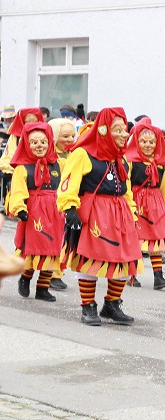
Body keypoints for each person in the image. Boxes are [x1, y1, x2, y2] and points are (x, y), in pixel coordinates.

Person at [57, 107, 142, 326]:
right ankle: (88, 306)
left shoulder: (121, 159)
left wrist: (131, 212)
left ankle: (112, 305)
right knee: (90, 260)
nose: (124, 134)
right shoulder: (82, 154)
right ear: (103, 130)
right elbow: (68, 183)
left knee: (125, 260)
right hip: (95, 213)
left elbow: (127, 189)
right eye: (118, 130)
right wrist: (70, 209)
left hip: (119, 214)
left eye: (124, 130)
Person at [5, 123, 62, 301]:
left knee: (52, 249)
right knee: (33, 249)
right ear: (27, 145)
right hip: (34, 211)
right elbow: (18, 190)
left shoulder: (58, 164)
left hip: (54, 212)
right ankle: (26, 277)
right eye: (34, 142)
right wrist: (20, 208)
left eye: (43, 142)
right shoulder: (23, 168)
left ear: (50, 143)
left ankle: (43, 287)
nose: (39, 145)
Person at [125, 119, 165, 290]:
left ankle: (158, 277)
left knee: (157, 237)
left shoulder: (161, 164)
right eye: (144, 141)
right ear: (137, 141)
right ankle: (132, 275)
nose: (148, 145)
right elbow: (126, 182)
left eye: (152, 142)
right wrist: (128, 203)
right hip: (137, 201)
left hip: (155, 202)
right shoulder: (131, 160)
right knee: (136, 238)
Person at [45, 117, 79, 291]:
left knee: (62, 238)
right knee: (48, 238)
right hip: (49, 203)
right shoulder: (47, 157)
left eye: (73, 136)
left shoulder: (76, 155)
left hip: (67, 203)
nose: (70, 140)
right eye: (65, 136)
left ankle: (56, 273)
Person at [0, 107, 44, 174]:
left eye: (34, 122)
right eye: (28, 122)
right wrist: (12, 171)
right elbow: (8, 156)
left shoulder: (44, 134)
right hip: (19, 170)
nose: (31, 125)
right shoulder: (16, 136)